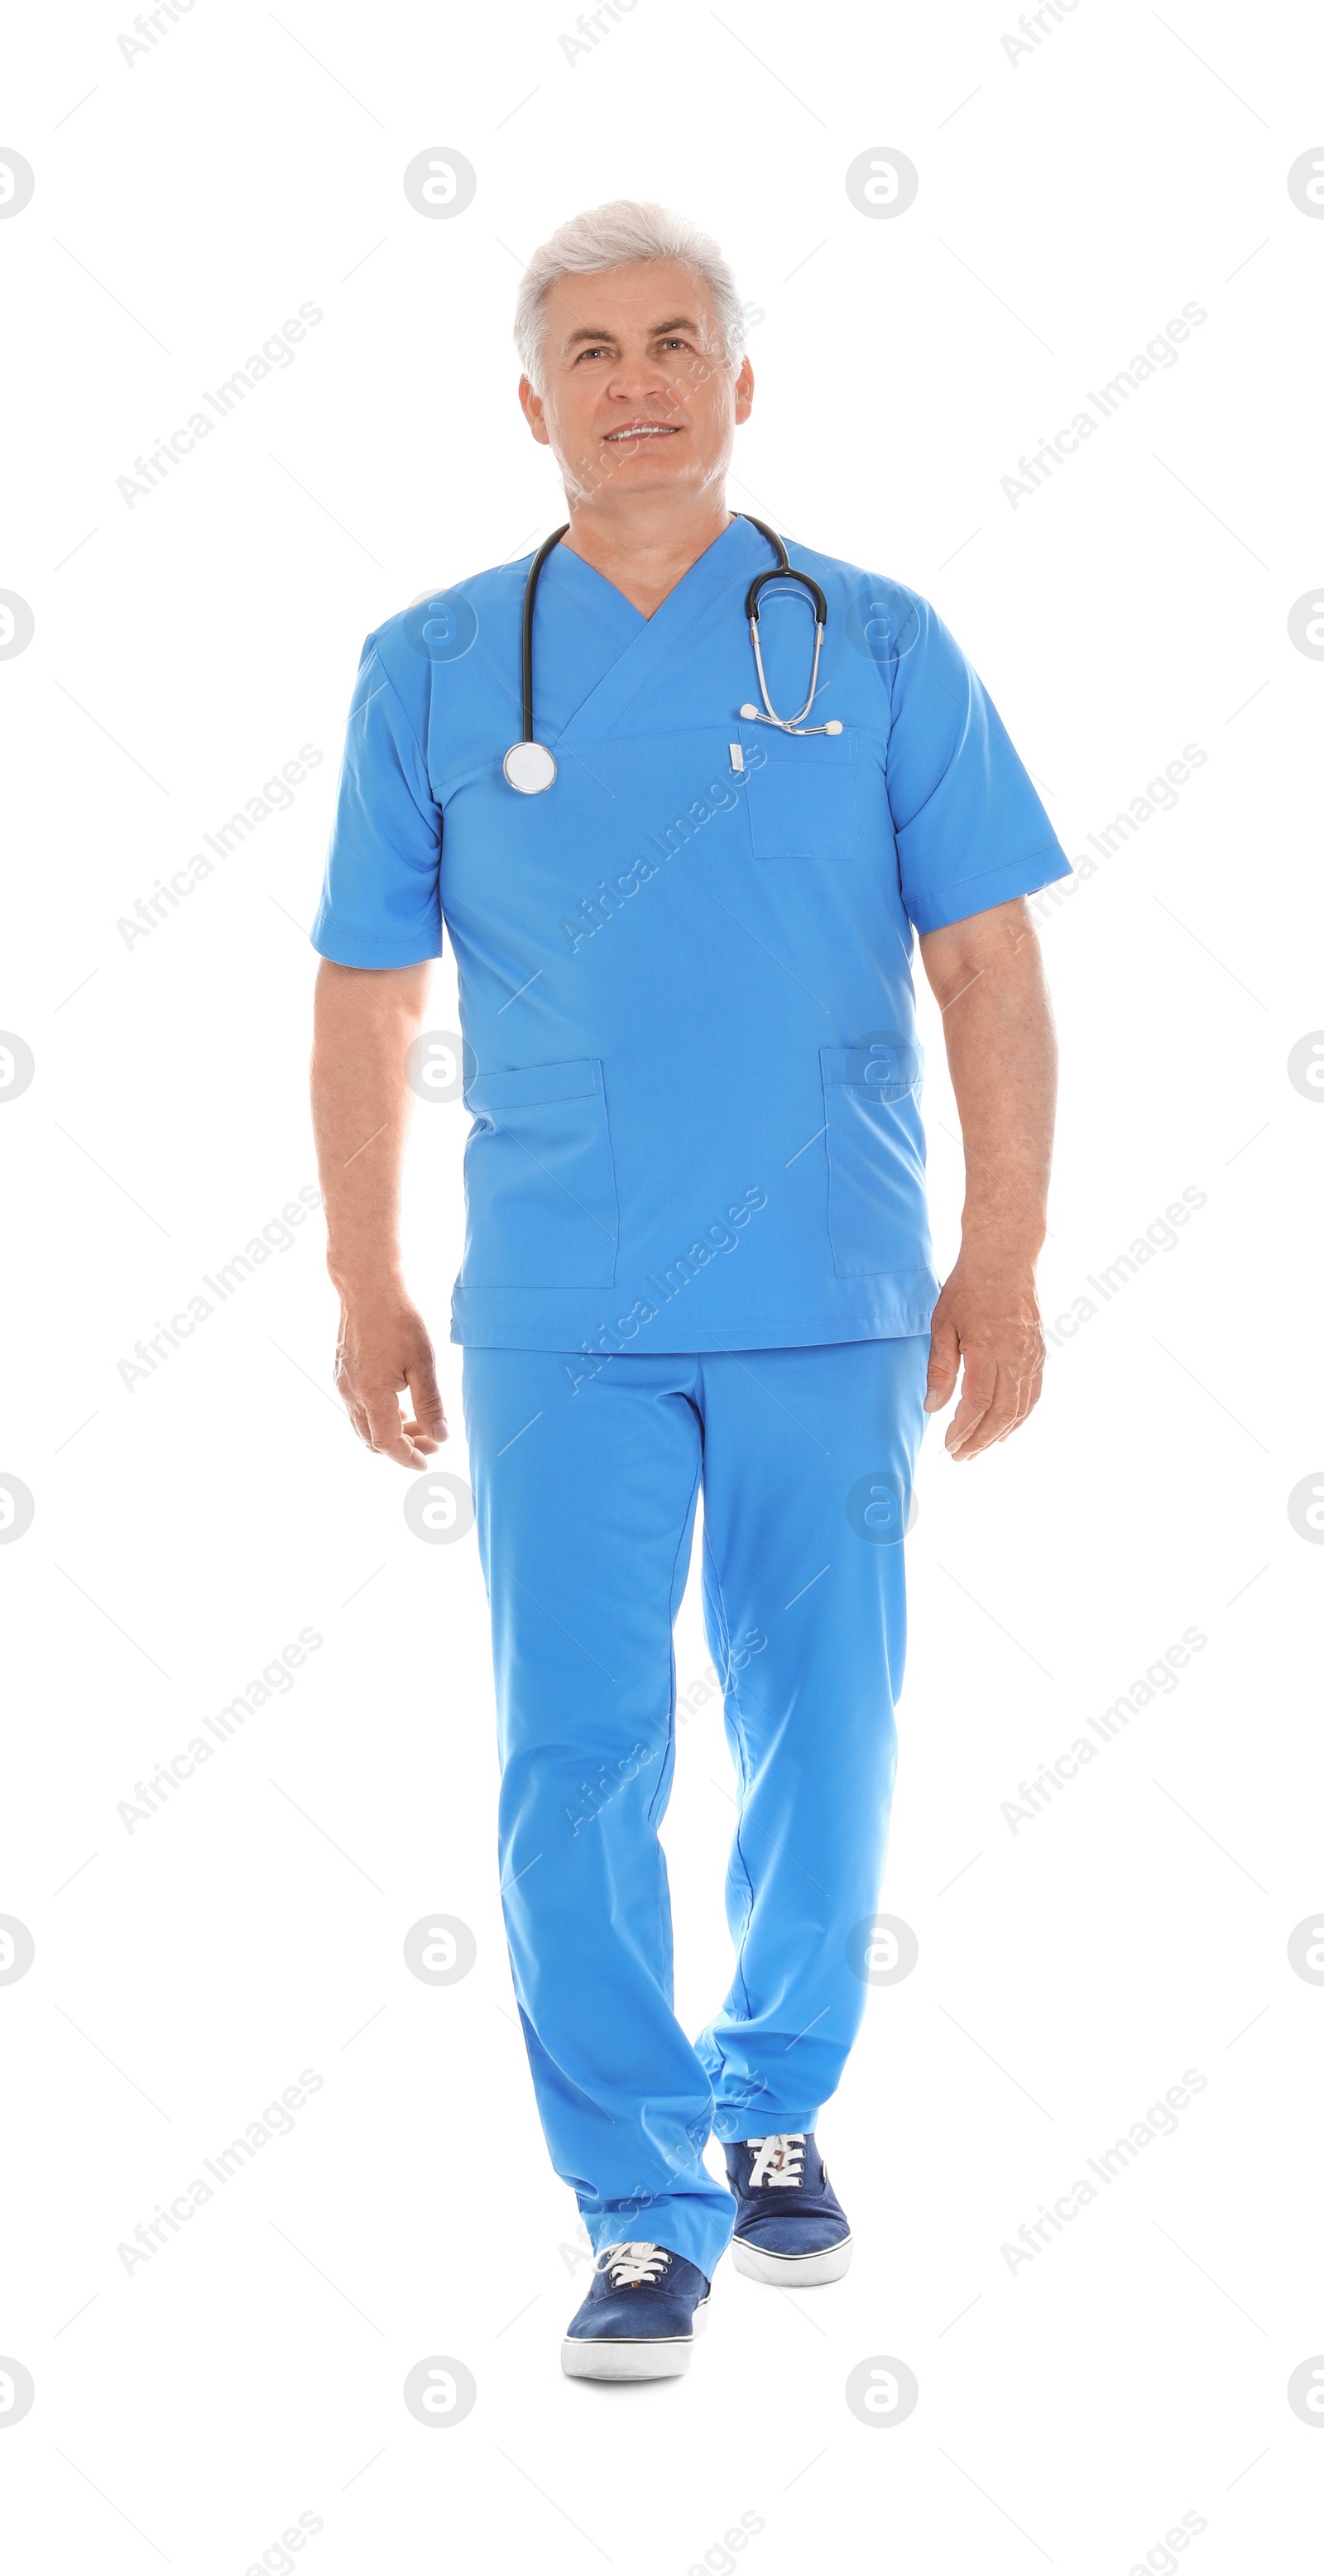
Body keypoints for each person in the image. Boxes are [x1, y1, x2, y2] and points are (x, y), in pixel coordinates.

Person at [309, 199, 1068, 2382]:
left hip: (833, 1297)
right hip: (558, 1313)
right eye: (588, 348)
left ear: (742, 385)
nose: (633, 378)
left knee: (826, 1738)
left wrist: (1000, 1250)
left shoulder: (882, 644)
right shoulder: (433, 667)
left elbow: (990, 962)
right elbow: (366, 996)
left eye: (674, 342)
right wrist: (365, 1279)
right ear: (529, 400)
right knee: (576, 1761)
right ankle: (636, 2203)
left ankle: (771, 2103)